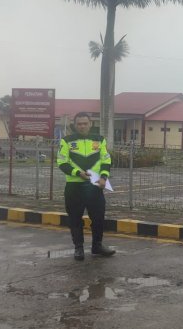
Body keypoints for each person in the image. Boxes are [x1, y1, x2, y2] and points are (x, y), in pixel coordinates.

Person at [57, 112, 115, 261]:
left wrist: (103, 177)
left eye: (85, 123)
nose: (82, 126)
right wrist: (77, 172)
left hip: (94, 187)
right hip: (74, 186)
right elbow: (62, 163)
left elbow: (106, 160)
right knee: (75, 219)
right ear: (74, 125)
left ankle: (97, 246)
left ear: (90, 124)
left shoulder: (99, 140)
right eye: (79, 124)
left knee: (98, 218)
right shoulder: (66, 141)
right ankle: (78, 248)